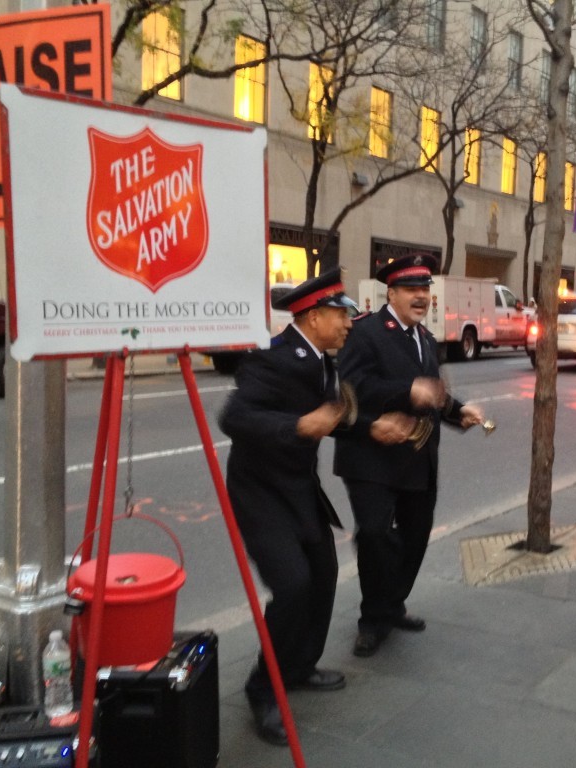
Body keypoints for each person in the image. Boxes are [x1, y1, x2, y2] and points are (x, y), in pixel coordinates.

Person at [218, 267, 358, 747]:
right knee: (293, 585)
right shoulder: (273, 359)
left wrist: (360, 424)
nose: (348, 324)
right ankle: (263, 688)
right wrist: (300, 426)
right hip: (259, 492)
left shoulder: (323, 358)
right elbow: (234, 417)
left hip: (298, 487)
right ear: (315, 316)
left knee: (322, 574)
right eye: (342, 316)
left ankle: (298, 667)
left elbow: (328, 416)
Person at [333, 253, 485, 657]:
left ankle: (393, 603)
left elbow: (432, 392)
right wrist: (406, 392)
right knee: (376, 535)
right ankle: (372, 619)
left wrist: (457, 410)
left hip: (418, 457)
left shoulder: (426, 339)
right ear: (392, 293)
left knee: (415, 536)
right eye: (412, 290)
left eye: (425, 290)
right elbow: (349, 389)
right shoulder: (364, 333)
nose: (421, 297)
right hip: (371, 458)